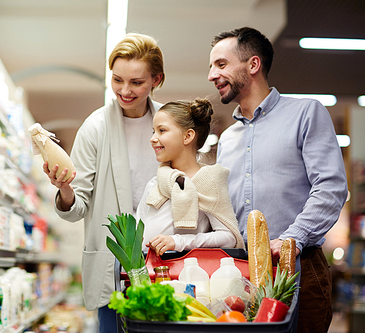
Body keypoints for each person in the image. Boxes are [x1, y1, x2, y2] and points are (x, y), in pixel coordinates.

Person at [208, 27, 348, 333]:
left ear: (253, 65)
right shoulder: (228, 138)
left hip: (298, 270)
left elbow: (331, 188)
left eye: (220, 64)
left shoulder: (305, 113)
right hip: (241, 272)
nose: (211, 75)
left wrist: (292, 239)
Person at [43, 33, 165, 333]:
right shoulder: (95, 127)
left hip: (162, 257)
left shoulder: (170, 123)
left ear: (156, 80)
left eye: (136, 82)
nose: (124, 90)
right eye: (117, 79)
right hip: (113, 267)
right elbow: (76, 208)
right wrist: (65, 188)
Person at [135, 98, 245, 256]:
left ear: (187, 136)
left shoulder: (208, 181)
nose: (153, 138)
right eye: (153, 131)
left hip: (186, 274)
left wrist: (178, 241)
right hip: (151, 275)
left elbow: (229, 237)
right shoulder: (155, 183)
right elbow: (138, 235)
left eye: (162, 130)